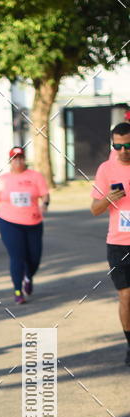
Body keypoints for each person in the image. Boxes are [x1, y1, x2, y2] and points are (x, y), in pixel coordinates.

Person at [0, 146, 49, 304]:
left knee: (34, 258)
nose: (18, 161)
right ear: (10, 161)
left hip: (33, 222)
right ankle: (18, 290)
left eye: (20, 157)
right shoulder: (2, 180)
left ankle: (28, 276)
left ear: (24, 159)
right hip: (9, 223)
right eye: (14, 158)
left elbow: (45, 194)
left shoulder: (35, 176)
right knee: (17, 256)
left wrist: (45, 203)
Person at [91, 121, 130, 365]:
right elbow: (95, 209)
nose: (124, 151)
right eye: (118, 146)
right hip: (118, 243)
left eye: (128, 145)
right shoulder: (106, 169)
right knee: (126, 297)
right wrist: (107, 199)